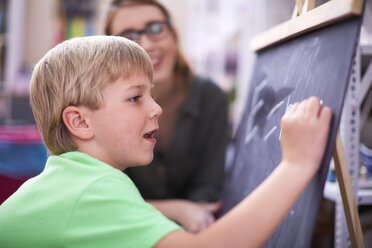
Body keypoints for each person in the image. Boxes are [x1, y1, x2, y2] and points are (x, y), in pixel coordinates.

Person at [0, 35, 332, 248]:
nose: (156, 108)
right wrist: (296, 164)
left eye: (151, 95)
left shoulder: (70, 180)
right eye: (135, 98)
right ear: (80, 122)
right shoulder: (94, 188)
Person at [103, 0, 229, 233]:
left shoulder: (212, 98)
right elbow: (102, 201)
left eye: (157, 29)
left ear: (174, 35)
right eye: (129, 37)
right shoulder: (99, 107)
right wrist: (177, 209)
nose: (147, 45)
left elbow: (208, 190)